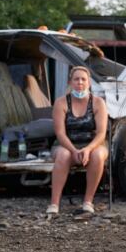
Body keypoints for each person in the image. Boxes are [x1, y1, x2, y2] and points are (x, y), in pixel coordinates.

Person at [46, 66, 109, 216]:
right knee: (63, 155)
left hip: (93, 143)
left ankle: (88, 201)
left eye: (83, 79)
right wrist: (74, 150)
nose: (80, 82)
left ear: (89, 83)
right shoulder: (61, 103)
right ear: (70, 82)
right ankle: (54, 203)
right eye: (76, 79)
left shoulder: (98, 102)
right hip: (66, 144)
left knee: (98, 155)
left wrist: (87, 149)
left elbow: (101, 133)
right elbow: (60, 133)